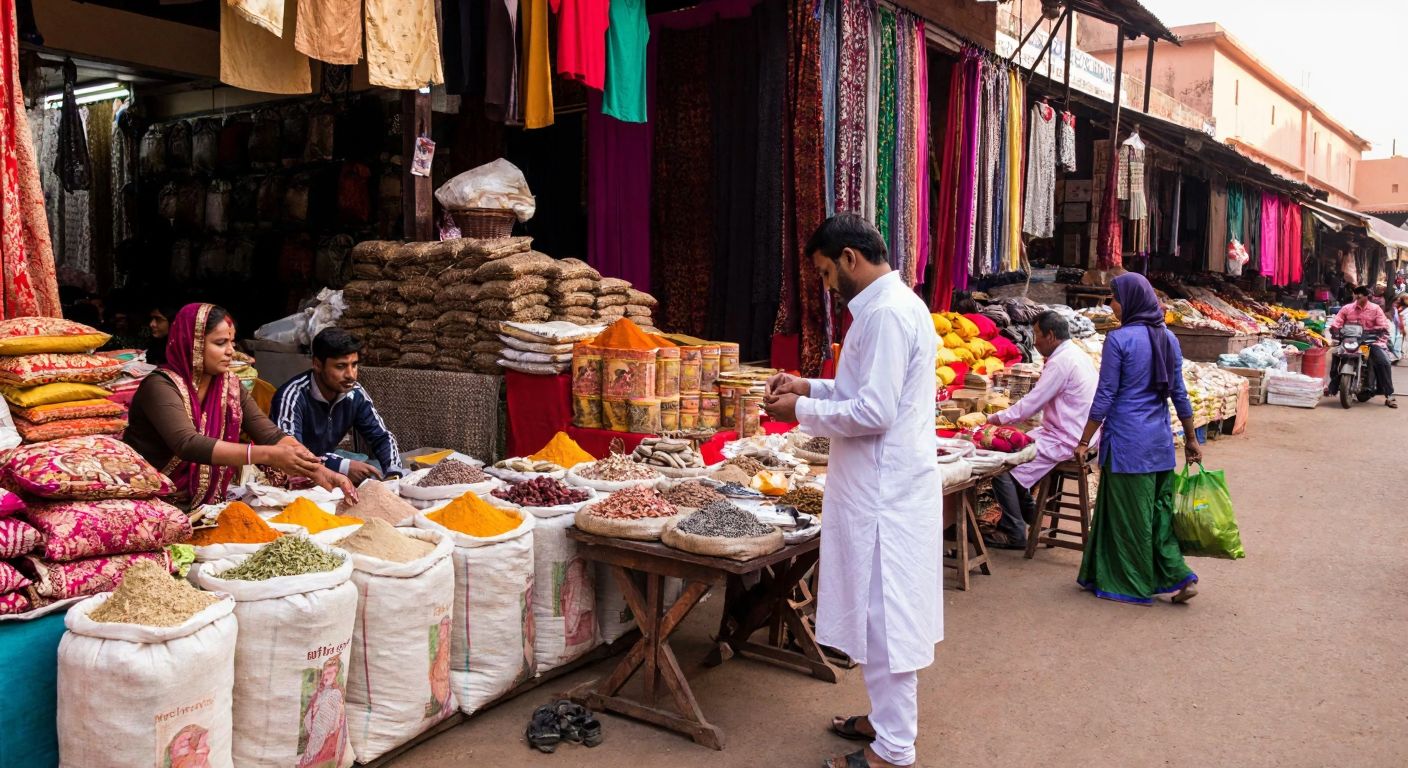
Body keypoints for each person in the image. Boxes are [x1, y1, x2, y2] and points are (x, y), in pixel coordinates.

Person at [763, 214, 941, 768]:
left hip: (886, 494)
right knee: (875, 613)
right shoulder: (887, 308)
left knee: (887, 620)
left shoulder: (886, 314)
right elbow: (856, 389)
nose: (825, 285)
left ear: (849, 258)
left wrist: (802, 410)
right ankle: (883, 721)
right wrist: (807, 385)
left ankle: (893, 749)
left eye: (823, 272)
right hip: (880, 487)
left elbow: (874, 410)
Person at [123, 304, 356, 509]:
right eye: (220, 343)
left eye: (232, 342)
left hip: (208, 506)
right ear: (192, 344)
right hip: (154, 503)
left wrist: (319, 471)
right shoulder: (160, 386)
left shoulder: (229, 386)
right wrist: (269, 455)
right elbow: (187, 443)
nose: (230, 351)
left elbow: (270, 434)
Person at [1072, 273, 1201, 606]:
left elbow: (1105, 395)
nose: (1110, 305)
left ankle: (1130, 581)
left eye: (1113, 298)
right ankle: (1177, 573)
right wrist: (1191, 438)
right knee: (1157, 513)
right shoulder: (1168, 338)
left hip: (1128, 442)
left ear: (1129, 301)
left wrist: (1085, 439)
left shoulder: (1119, 339)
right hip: (1159, 441)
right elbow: (1179, 393)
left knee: (1130, 516)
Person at [983, 311, 1098, 549]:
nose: (1034, 341)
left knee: (1001, 464)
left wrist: (994, 419)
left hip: (1067, 437)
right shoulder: (1075, 353)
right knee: (1014, 452)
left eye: (1037, 334)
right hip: (1073, 431)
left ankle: (1014, 532)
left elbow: (1031, 404)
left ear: (1051, 335)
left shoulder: (1061, 362)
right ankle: (1032, 517)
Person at [270, 328, 405, 483]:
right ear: (317, 365)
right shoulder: (291, 397)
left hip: (324, 469)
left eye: (354, 365)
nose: (350, 374)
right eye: (340, 366)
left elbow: (381, 437)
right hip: (287, 478)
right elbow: (291, 455)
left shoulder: (355, 393)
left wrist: (393, 472)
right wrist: (342, 466)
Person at [1328, 286, 1396, 408]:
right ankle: (1332, 387)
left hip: (1370, 342)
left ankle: (1389, 395)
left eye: (1360, 295)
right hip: (1351, 340)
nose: (1358, 297)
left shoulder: (1375, 309)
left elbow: (1384, 326)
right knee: (1335, 355)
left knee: (1383, 362)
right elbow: (1337, 321)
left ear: (1367, 296)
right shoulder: (1347, 308)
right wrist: (1335, 331)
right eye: (1356, 294)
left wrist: (1378, 334)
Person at [145, 300, 180, 366]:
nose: (151, 324)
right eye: (152, 319)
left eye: (158, 319)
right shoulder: (154, 345)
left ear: (172, 322)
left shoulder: (180, 351)